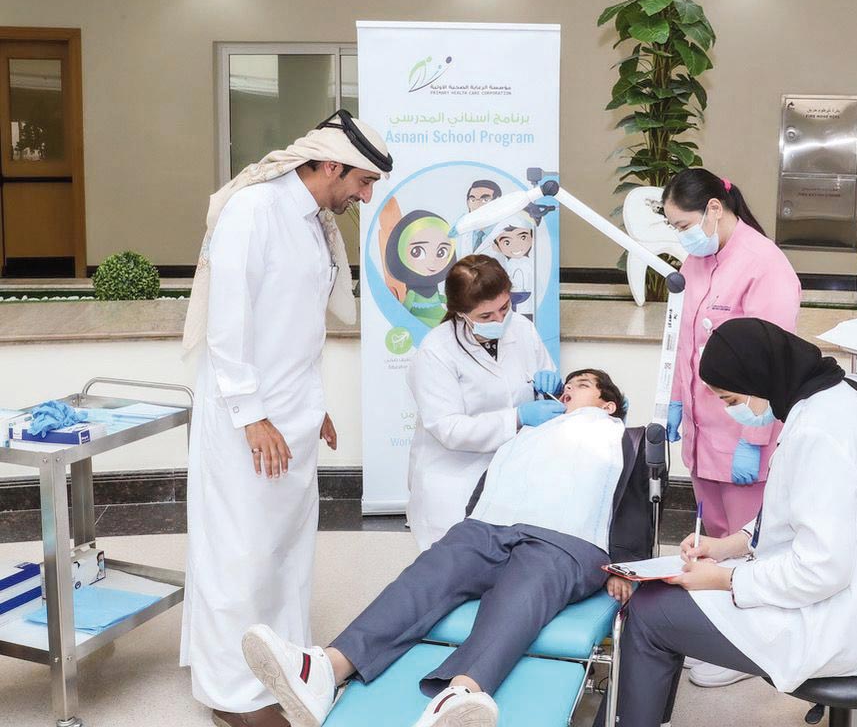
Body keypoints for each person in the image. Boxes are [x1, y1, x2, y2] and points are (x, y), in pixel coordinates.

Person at [241, 370, 652, 727]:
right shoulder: (530, 430)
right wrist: (471, 530)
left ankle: (460, 697)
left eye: (580, 386)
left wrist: (628, 568)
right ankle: (325, 669)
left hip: (565, 540)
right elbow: (490, 487)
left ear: (609, 404)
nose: (566, 392)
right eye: (564, 387)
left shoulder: (621, 436)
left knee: (521, 595)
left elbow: (634, 504)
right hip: (489, 527)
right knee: (428, 575)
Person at [179, 110, 392, 727]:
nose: (365, 194)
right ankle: (231, 695)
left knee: (285, 551)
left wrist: (310, 405)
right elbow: (230, 321)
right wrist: (252, 415)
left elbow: (292, 323)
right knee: (239, 553)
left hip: (291, 409)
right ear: (329, 164)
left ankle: (284, 673)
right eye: (362, 180)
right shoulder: (255, 210)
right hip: (246, 414)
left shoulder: (315, 222)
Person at [607, 318, 857, 727]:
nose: (731, 410)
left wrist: (724, 580)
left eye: (732, 399)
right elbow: (793, 512)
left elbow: (821, 568)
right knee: (657, 604)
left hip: (838, 626)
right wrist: (726, 546)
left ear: (760, 377)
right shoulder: (827, 395)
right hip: (841, 601)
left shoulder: (820, 432)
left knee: (649, 615)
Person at [659, 166, 802, 686]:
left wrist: (755, 439)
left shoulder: (767, 266)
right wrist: (673, 403)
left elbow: (772, 363)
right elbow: (683, 342)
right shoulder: (696, 258)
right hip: (701, 431)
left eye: (682, 224)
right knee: (711, 540)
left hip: (744, 436)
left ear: (714, 210)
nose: (681, 236)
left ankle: (753, 649)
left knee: (752, 547)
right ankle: (720, 635)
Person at [406, 254, 564, 550]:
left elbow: (542, 376)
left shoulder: (521, 328)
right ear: (460, 313)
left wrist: (551, 385)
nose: (500, 320)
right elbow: (449, 428)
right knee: (455, 569)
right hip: (455, 478)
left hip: (512, 472)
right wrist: (516, 418)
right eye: (486, 316)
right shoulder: (436, 353)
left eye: (504, 307)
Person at [456, 179, 502, 256]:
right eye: (473, 200)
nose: (477, 205)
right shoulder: (462, 233)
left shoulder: (507, 232)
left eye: (485, 200)